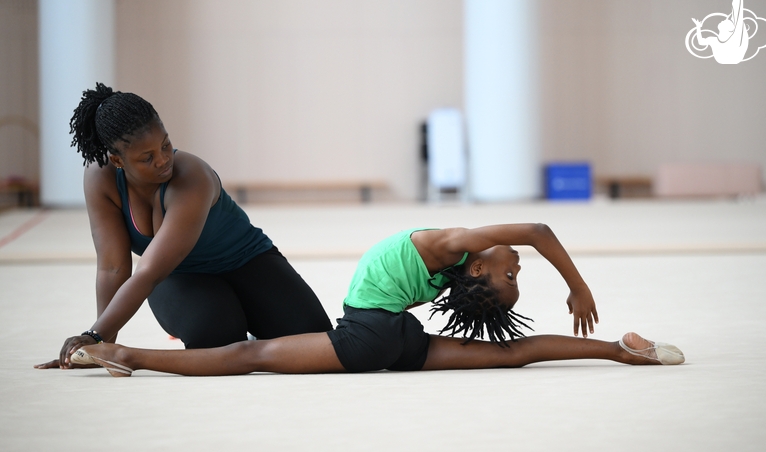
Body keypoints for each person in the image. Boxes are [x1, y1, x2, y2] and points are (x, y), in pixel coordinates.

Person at [71, 224, 684, 377]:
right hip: (398, 340)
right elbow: (537, 245)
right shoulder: (457, 262)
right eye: (516, 270)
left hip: (367, 335)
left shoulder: (459, 244)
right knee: (510, 355)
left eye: (511, 274)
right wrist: (595, 325)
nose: (515, 262)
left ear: (478, 267)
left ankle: (130, 352)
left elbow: (540, 234)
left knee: (247, 355)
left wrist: (577, 284)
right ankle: (621, 351)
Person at [35, 83, 332, 370]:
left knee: (312, 337)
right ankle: (219, 317)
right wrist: (99, 343)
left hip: (247, 261)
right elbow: (113, 268)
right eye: (147, 157)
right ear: (117, 160)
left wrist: (95, 337)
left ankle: (252, 317)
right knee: (217, 338)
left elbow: (147, 269)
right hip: (176, 276)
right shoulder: (101, 179)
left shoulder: (192, 176)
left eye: (166, 144)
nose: (163, 160)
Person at [692, 0, 748, 64]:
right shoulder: (715, 40)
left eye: (727, 21)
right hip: (728, 57)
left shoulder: (733, 37)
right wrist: (698, 27)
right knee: (737, 11)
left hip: (733, 56)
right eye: (728, 21)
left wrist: (698, 27)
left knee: (737, 11)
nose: (724, 19)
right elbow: (701, 42)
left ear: (729, 29)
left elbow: (737, 9)